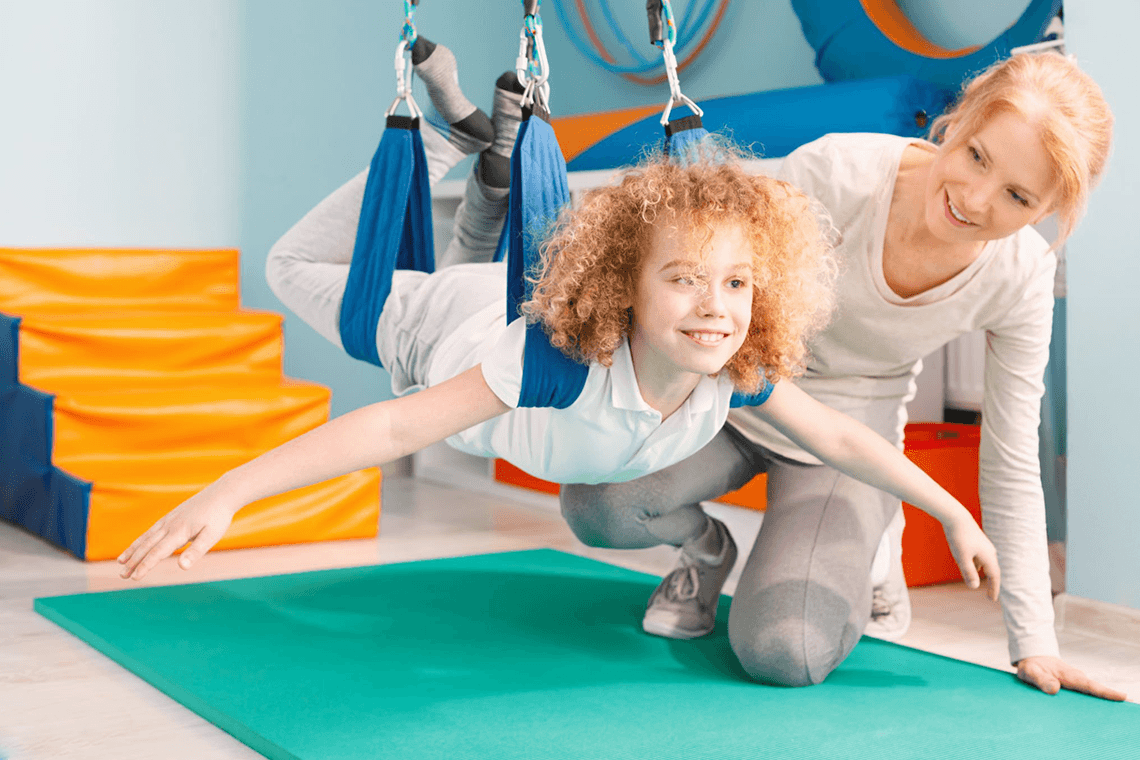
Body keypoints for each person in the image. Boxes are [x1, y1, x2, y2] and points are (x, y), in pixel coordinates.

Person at [117, 43, 1000, 609]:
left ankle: (485, 157)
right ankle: (443, 142)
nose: (715, 306)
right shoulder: (551, 363)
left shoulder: (731, 368)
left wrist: (952, 511)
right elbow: (389, 428)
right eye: (684, 279)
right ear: (625, 288)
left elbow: (840, 437)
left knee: (475, 265)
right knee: (294, 268)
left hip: (493, 300)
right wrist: (231, 489)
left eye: (736, 283)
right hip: (436, 334)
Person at [560, 52, 1125, 701]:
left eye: (1018, 196)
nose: (975, 199)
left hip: (847, 448)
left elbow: (1011, 456)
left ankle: (868, 552)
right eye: (976, 156)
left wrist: (1034, 641)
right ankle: (708, 551)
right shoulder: (835, 171)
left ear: (1050, 209)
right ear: (961, 118)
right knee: (597, 504)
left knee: (783, 651)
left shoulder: (1020, 278)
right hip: (740, 402)